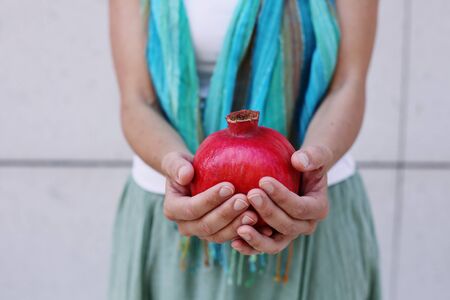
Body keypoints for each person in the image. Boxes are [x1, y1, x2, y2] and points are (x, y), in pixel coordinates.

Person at [108, 0, 381, 299]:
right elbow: (136, 100)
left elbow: (348, 83)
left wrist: (314, 159)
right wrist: (176, 167)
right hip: (170, 215)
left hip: (309, 210)